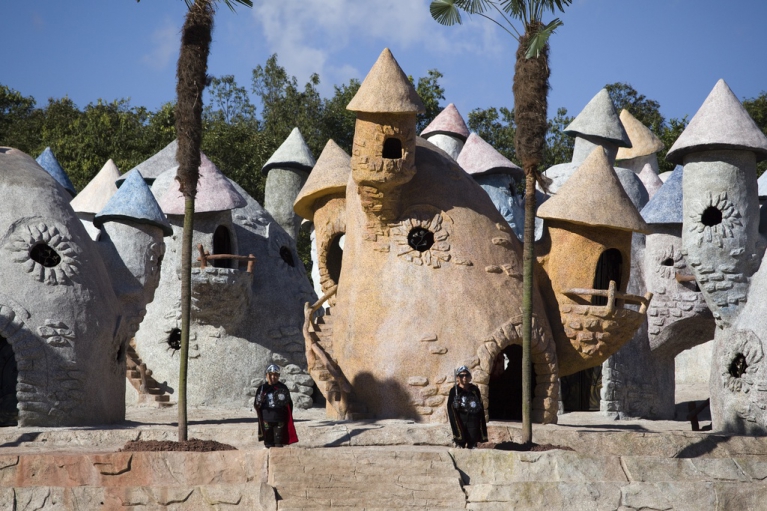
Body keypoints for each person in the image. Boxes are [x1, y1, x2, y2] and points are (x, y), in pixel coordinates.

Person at [254, 364, 298, 447]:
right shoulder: (262, 388)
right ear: (267, 375)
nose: (273, 377)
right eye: (271, 375)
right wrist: (259, 402)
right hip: (266, 418)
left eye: (275, 375)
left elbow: (289, 404)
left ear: (279, 376)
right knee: (268, 443)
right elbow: (256, 404)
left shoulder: (282, 388)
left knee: (278, 442)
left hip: (279, 418)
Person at [447, 365, 488, 448]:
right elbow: (450, 406)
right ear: (458, 377)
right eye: (462, 376)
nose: (464, 378)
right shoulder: (454, 391)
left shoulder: (474, 389)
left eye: (466, 375)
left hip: (473, 418)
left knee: (472, 441)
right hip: (460, 418)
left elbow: (479, 404)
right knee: (460, 440)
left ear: (470, 377)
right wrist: (455, 404)